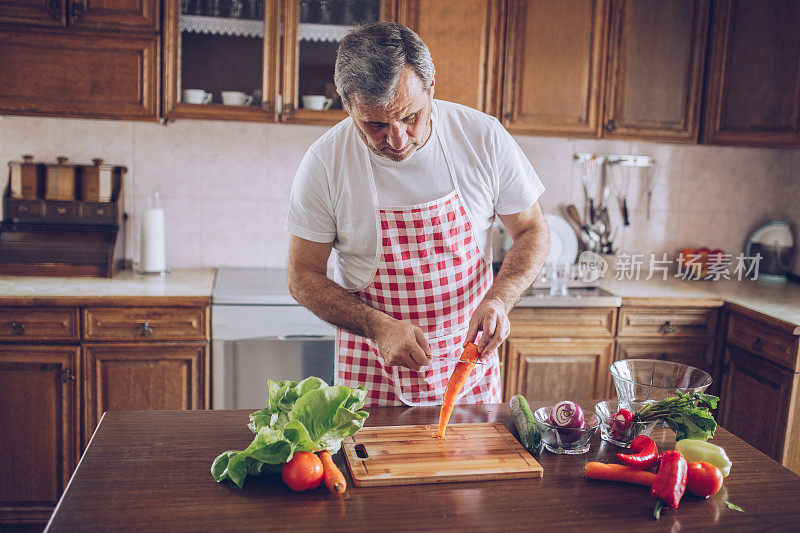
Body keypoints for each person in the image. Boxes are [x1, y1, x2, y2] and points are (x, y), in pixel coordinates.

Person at [285, 21, 550, 407]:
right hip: (371, 371)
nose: (397, 140)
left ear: (431, 86)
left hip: (468, 368)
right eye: (374, 124)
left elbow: (531, 230)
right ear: (348, 105)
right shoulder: (325, 163)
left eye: (409, 117)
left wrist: (499, 300)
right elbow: (301, 275)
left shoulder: (482, 138)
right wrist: (378, 327)